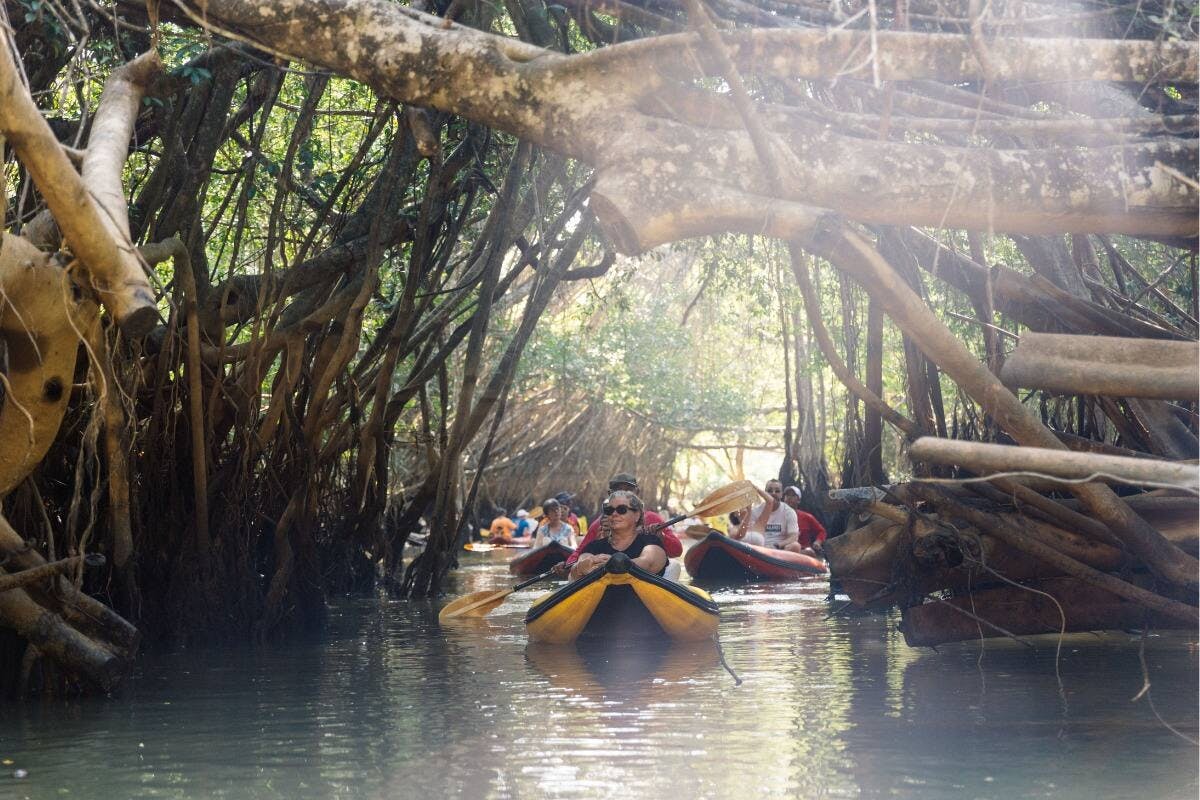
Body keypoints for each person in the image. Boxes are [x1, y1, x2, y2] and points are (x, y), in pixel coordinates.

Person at [563, 472, 682, 569]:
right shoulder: (598, 526)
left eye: (628, 489)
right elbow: (579, 555)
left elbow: (676, 551)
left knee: (674, 566)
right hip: (605, 574)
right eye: (617, 490)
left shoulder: (652, 519)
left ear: (637, 493)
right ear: (610, 494)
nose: (615, 514)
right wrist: (570, 566)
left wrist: (662, 538)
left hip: (643, 572)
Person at [568, 490, 667, 580]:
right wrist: (582, 566)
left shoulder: (651, 542)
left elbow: (648, 562)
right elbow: (575, 572)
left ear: (637, 515)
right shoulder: (594, 546)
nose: (614, 514)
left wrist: (614, 564)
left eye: (621, 509)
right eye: (609, 510)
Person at [731, 478, 806, 553]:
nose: (773, 493)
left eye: (777, 491)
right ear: (765, 493)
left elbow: (793, 537)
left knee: (795, 546)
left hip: (780, 549)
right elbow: (744, 533)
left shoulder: (789, 512)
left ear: (781, 494)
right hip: (760, 549)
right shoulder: (756, 510)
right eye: (769, 491)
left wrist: (777, 545)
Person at [781, 485, 828, 555]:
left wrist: (818, 542)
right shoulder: (777, 516)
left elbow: (822, 531)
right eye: (787, 495)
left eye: (793, 495)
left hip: (802, 552)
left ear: (799, 500)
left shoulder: (807, 517)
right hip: (782, 551)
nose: (789, 498)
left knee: (809, 552)